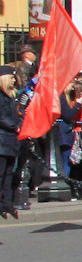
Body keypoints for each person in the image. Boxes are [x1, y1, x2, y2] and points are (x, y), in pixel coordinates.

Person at [0, 65, 20, 221]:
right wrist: (16, 126)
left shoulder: (11, 96)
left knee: (8, 174)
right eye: (12, 77)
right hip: (2, 141)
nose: (14, 80)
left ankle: (7, 203)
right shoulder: (1, 97)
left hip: (10, 141)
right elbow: (2, 118)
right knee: (1, 175)